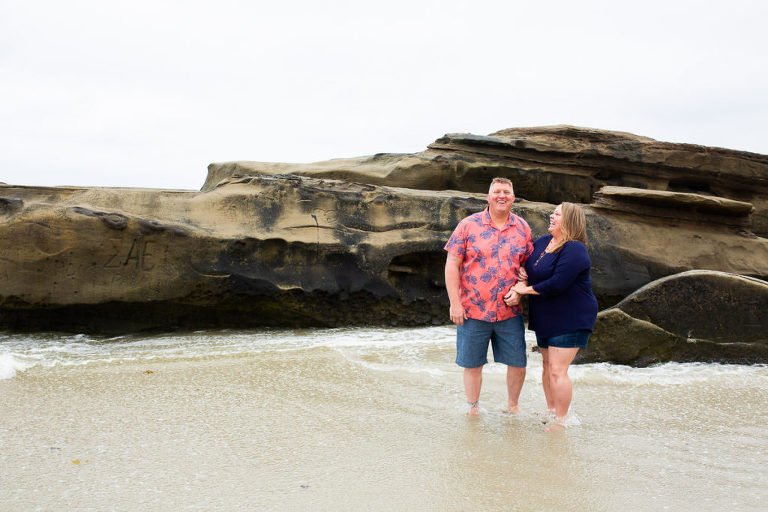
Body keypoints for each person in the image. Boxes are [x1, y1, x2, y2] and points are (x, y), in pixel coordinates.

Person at [444, 177, 533, 416]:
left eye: (506, 192)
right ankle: (473, 407)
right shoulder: (467, 225)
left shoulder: (523, 228)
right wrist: (455, 303)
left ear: (513, 198)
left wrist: (520, 288)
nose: (501, 196)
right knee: (472, 363)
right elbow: (452, 264)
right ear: (488, 197)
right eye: (497, 192)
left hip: (509, 311)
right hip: (472, 309)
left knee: (518, 363)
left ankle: (512, 406)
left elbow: (528, 268)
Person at [506, 202, 598, 428]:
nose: (551, 216)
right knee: (547, 366)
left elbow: (558, 283)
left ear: (569, 221)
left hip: (571, 315)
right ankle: (552, 411)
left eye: (557, 214)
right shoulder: (543, 242)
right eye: (553, 212)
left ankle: (562, 419)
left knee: (558, 369)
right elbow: (527, 266)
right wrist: (524, 279)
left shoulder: (575, 248)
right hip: (546, 313)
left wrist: (523, 290)